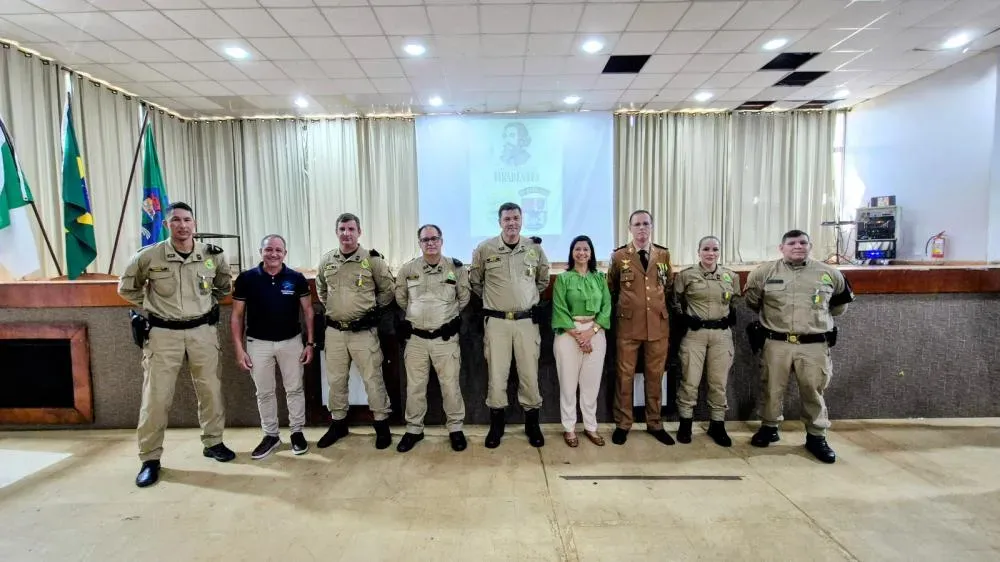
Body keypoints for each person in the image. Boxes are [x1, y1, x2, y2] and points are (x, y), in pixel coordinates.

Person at [118, 202, 234, 488]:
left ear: (194, 224)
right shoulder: (149, 256)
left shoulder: (212, 255)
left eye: (187, 220)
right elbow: (126, 288)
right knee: (156, 398)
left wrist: (204, 304)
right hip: (163, 334)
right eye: (176, 221)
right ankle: (150, 458)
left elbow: (223, 287)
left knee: (210, 390)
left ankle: (213, 442)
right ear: (167, 224)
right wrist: (154, 305)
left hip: (202, 331)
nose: (182, 226)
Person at [744, 230, 854, 464]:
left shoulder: (829, 274)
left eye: (803, 242)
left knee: (813, 390)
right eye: (791, 243)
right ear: (781, 247)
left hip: (813, 344)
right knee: (771, 388)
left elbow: (839, 306)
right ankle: (769, 427)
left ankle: (816, 436)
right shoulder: (764, 273)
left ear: (810, 246)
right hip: (776, 342)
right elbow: (753, 301)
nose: (798, 246)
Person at [470, 202, 550, 448]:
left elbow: (543, 280)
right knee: (497, 374)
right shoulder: (484, 249)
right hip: (497, 323)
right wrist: (498, 301)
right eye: (507, 219)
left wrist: (524, 299)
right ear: (500, 222)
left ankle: (532, 423)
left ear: (522, 219)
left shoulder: (534, 249)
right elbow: (476, 282)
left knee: (529, 375)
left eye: (516, 218)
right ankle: (497, 424)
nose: (512, 223)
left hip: (526, 322)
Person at [314, 213, 396, 450]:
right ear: (336, 232)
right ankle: (338, 424)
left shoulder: (372, 260)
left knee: (373, 379)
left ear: (359, 232)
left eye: (351, 229)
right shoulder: (327, 260)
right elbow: (322, 290)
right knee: (336, 380)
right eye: (342, 229)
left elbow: (387, 291)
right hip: (335, 332)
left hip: (363, 332)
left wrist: (371, 312)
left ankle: (381, 424)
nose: (346, 234)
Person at [231, 234, 315, 460]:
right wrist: (239, 349)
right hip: (258, 344)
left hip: (291, 342)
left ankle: (297, 432)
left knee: (295, 388)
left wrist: (309, 343)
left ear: (284, 254)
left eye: (279, 250)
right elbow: (237, 315)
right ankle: (271, 435)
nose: (274, 254)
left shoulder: (296, 278)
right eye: (269, 249)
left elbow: (308, 311)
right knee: (264, 392)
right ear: (261, 252)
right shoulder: (247, 279)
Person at [395, 224, 470, 453]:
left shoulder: (456, 268)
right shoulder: (408, 270)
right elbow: (401, 299)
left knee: (450, 386)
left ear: (441, 240)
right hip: (416, 339)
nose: (430, 243)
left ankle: (455, 429)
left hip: (445, 339)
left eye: (434, 238)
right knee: (415, 387)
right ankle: (414, 429)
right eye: (425, 239)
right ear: (419, 243)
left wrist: (444, 318)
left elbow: (463, 298)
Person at [606, 210, 675, 446]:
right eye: (637, 224)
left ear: (652, 226)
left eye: (646, 223)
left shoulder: (663, 255)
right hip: (628, 326)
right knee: (624, 376)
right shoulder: (619, 256)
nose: (642, 228)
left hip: (657, 325)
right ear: (630, 228)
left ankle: (654, 422)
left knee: (655, 377)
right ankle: (623, 423)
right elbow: (612, 288)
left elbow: (667, 286)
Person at [671, 236, 741, 447]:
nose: (711, 253)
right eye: (706, 249)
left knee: (718, 382)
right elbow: (675, 301)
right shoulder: (687, 275)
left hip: (721, 334)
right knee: (689, 379)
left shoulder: (730, 276)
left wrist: (730, 315)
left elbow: (735, 301)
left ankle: (717, 424)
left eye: (715, 249)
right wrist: (684, 317)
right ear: (698, 251)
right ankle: (685, 423)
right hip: (695, 334)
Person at [551, 235, 611, 447]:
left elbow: (606, 308)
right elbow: (559, 309)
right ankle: (569, 428)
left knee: (590, 385)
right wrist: (578, 334)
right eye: (578, 249)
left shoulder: (599, 278)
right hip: (568, 335)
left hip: (595, 333)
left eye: (586, 249)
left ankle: (590, 427)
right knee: (568, 385)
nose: (582, 253)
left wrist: (591, 332)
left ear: (591, 252)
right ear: (572, 252)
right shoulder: (563, 279)